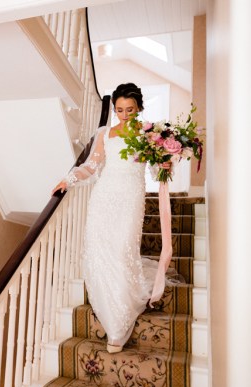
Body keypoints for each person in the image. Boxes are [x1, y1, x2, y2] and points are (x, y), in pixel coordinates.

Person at [52, 83, 172, 354]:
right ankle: (111, 316)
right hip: (104, 196)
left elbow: (154, 171)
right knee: (100, 253)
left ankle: (119, 325)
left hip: (131, 197)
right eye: (119, 109)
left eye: (130, 109)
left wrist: (164, 164)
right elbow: (91, 167)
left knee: (121, 252)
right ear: (114, 109)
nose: (124, 114)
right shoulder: (105, 133)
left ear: (139, 108)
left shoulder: (149, 133)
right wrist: (67, 180)